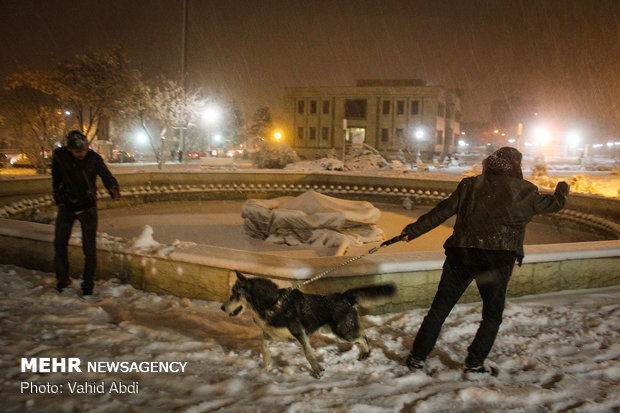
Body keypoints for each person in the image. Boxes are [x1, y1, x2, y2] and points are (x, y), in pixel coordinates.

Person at [400, 147, 569, 374]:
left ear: (489, 164)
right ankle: (474, 362)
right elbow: (555, 205)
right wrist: (562, 189)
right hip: (496, 260)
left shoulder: (470, 185)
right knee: (491, 315)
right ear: (516, 166)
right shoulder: (526, 192)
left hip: (462, 255)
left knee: (439, 310)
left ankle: (417, 357)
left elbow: (442, 211)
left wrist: (412, 230)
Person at [52, 130, 120, 296]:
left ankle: (88, 284)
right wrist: (58, 196)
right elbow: (56, 177)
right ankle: (62, 280)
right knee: (59, 244)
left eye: (84, 150)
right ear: (69, 149)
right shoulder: (60, 156)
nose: (82, 154)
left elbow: (106, 175)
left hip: (87, 206)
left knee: (89, 248)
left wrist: (113, 188)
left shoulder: (93, 158)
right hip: (67, 206)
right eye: (78, 152)